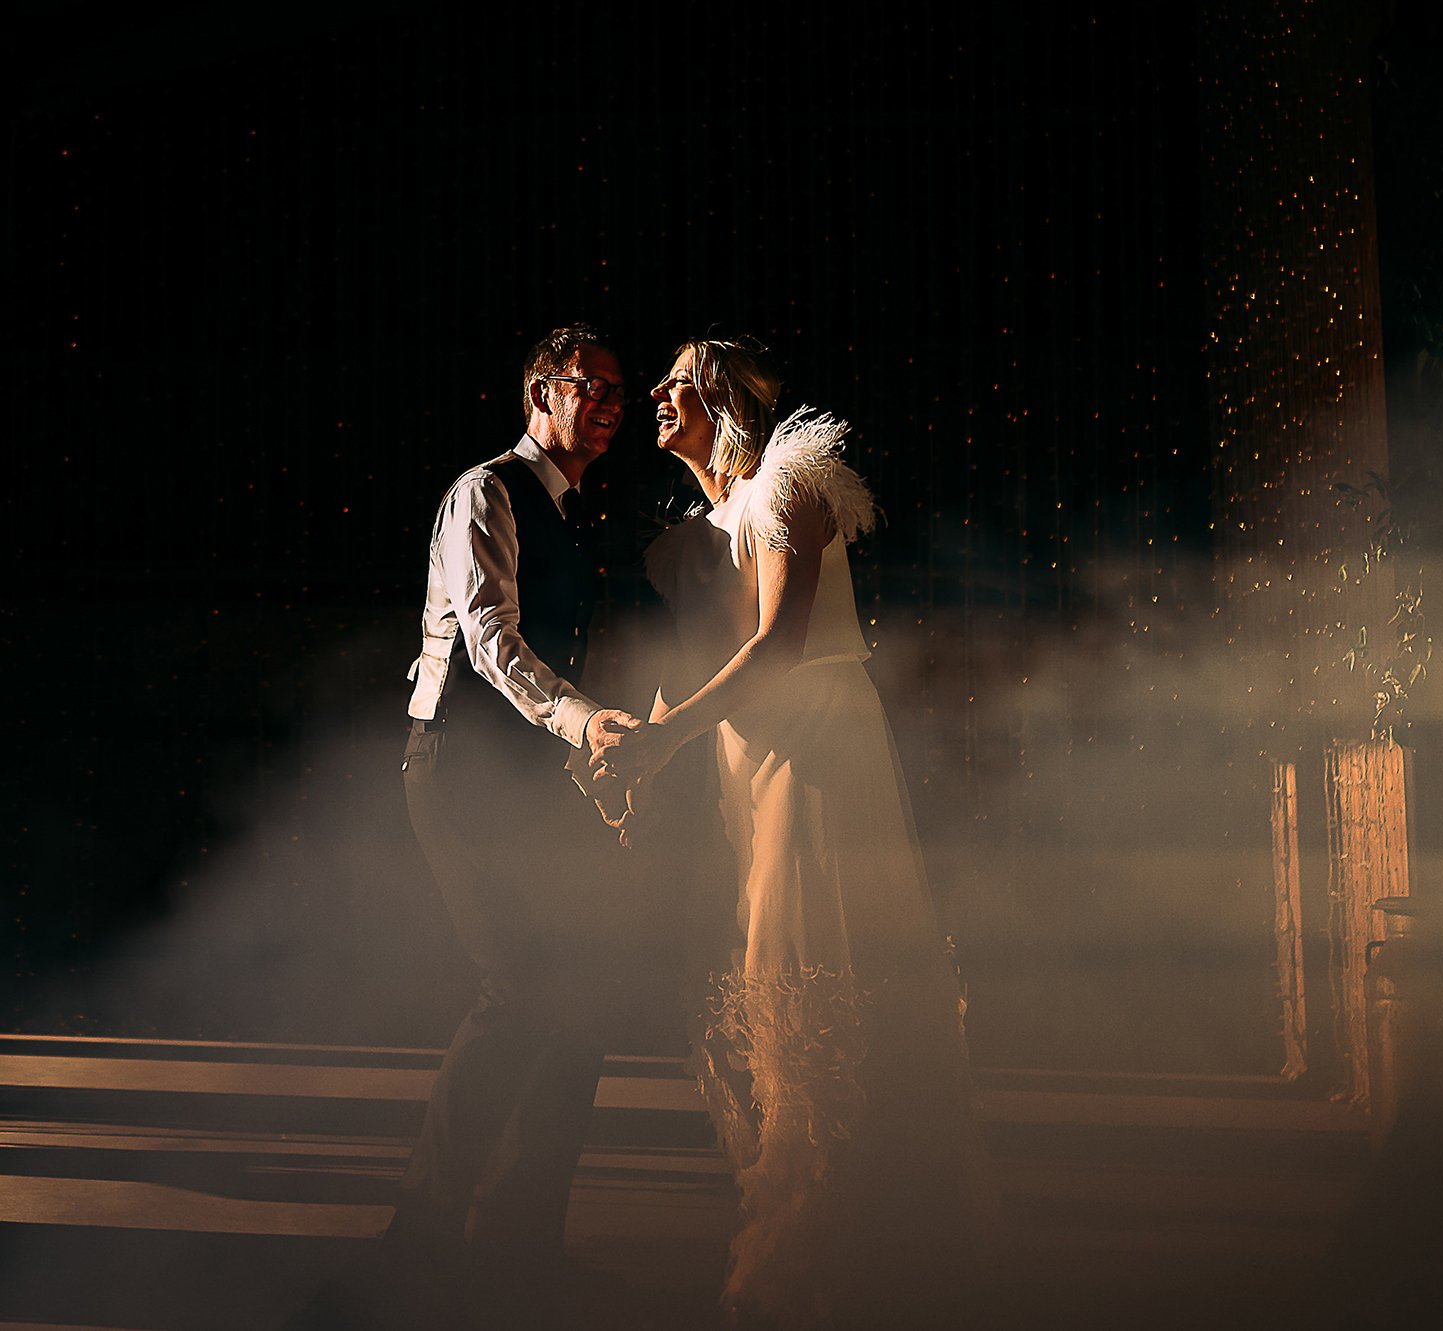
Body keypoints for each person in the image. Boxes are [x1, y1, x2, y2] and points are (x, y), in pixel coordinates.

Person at [592, 337, 995, 1328]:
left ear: (721, 400)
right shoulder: (719, 513)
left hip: (811, 749)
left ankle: (828, 1247)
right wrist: (638, 734)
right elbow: (706, 650)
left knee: (810, 971)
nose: (652, 394)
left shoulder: (786, 485)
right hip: (754, 758)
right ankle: (819, 1226)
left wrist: (663, 739)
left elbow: (776, 645)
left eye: (674, 382)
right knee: (769, 972)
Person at [382, 324, 647, 1313]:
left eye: (623, 390)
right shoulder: (485, 491)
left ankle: (521, 1245)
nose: (613, 403)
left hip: (535, 778)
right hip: (457, 770)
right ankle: (416, 1247)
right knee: (521, 985)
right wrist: (582, 722)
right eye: (596, 386)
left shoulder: (578, 507)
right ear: (542, 392)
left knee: (579, 1000)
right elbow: (491, 641)